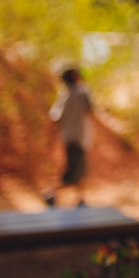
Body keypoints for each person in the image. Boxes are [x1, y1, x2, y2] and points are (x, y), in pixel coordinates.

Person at [43, 67, 94, 208]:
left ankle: (81, 199)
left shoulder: (64, 95)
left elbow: (55, 118)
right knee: (74, 171)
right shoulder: (83, 92)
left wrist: (51, 138)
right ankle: (51, 194)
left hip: (69, 137)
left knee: (79, 169)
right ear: (75, 76)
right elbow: (90, 111)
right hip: (79, 138)